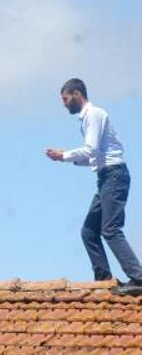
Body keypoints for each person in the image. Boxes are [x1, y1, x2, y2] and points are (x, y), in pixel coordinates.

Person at [46, 78, 142, 296]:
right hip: (106, 177)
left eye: (66, 99)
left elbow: (90, 149)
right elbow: (93, 157)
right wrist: (64, 159)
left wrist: (64, 155)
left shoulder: (94, 114)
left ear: (77, 94)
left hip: (114, 176)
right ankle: (103, 279)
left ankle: (138, 277)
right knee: (89, 231)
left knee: (110, 229)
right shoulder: (86, 119)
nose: (64, 104)